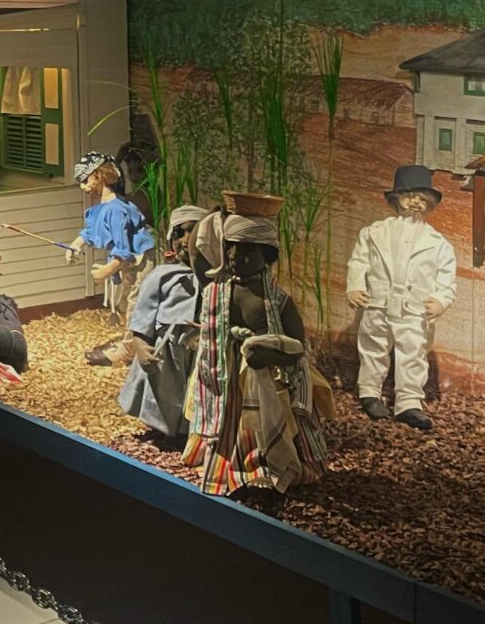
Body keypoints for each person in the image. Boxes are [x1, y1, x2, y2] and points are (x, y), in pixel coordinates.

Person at [180, 208, 327, 502]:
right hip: (222, 372)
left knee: (262, 427)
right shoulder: (217, 289)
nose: (235, 255)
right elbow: (196, 254)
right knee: (229, 424)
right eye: (231, 247)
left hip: (266, 381)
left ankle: (265, 471)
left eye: (247, 250)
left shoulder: (278, 300)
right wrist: (213, 215)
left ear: (267, 255)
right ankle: (229, 468)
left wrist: (271, 356)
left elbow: (297, 347)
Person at [346, 164, 458, 431]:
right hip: (378, 303)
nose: (415, 203)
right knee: (373, 348)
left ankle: (409, 402)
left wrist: (440, 300)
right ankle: (369, 392)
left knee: (413, 352)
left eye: (422, 199)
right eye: (409, 196)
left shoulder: (438, 243)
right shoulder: (373, 233)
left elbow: (447, 279)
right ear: (397, 198)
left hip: (414, 309)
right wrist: (355, 286)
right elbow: (359, 262)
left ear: (429, 204)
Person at [118, 205, 206, 442]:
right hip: (166, 351)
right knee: (165, 391)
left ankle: (191, 431)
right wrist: (139, 344)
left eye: (193, 232)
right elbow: (143, 313)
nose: (185, 240)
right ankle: (163, 430)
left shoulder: (213, 279)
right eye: (179, 233)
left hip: (200, 352)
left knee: (194, 392)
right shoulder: (162, 276)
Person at [70, 152, 155, 362]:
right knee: (126, 302)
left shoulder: (116, 210)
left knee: (136, 303)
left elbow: (123, 249)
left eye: (86, 180)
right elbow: (92, 231)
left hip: (139, 261)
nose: (83, 187)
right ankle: (131, 343)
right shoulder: (104, 207)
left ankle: (128, 351)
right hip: (129, 263)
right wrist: (76, 244)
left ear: (98, 176)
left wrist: (106, 271)